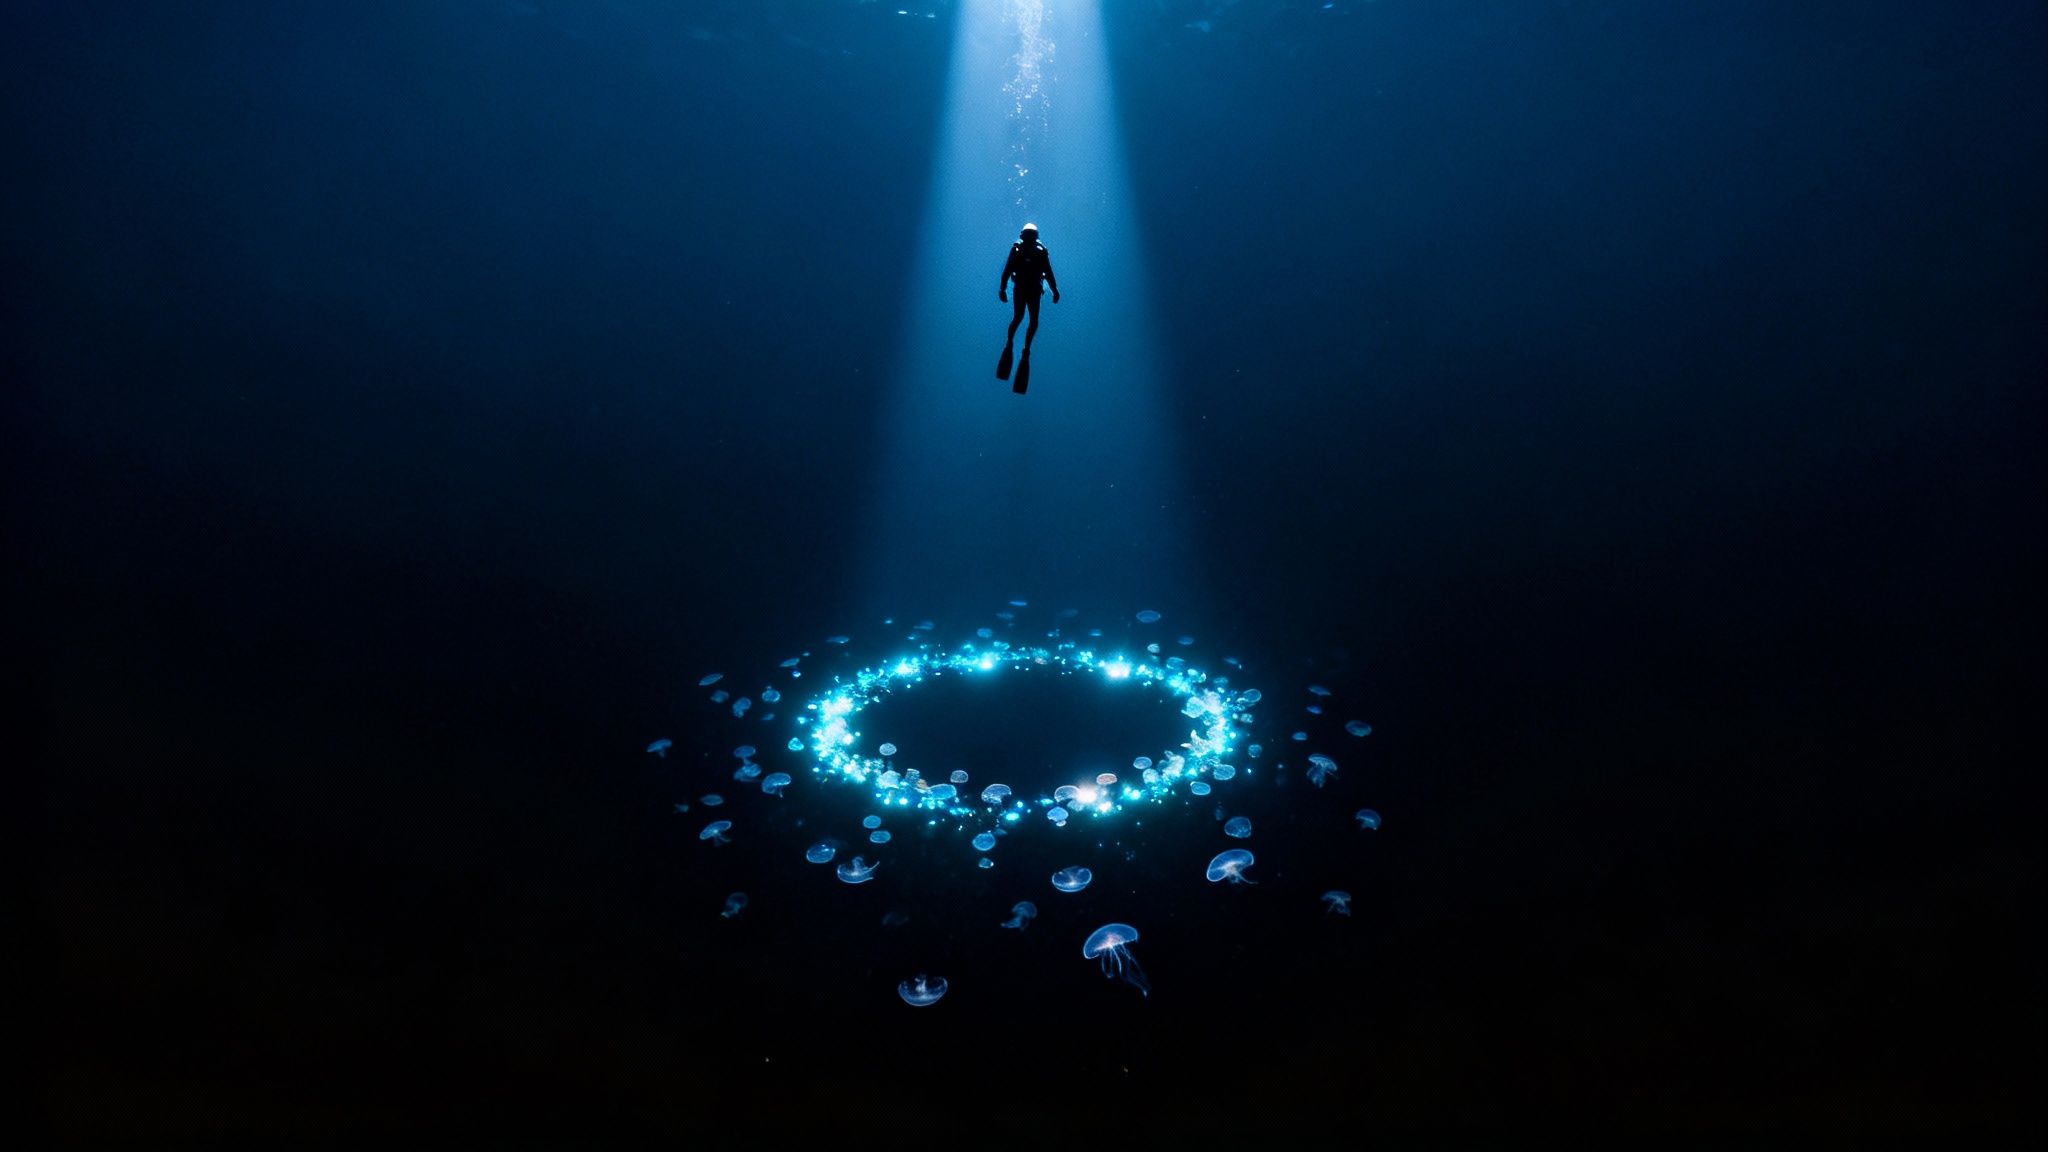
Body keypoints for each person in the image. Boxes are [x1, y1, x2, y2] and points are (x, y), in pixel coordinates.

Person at [999, 223, 1060, 358]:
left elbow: (1007, 271)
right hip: (1030, 290)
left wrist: (1003, 289)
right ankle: (1022, 346)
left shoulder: (1028, 251)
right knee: (1027, 319)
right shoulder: (1031, 251)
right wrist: (1055, 291)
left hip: (1026, 289)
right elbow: (1049, 274)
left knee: (1022, 318)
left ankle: (1019, 345)